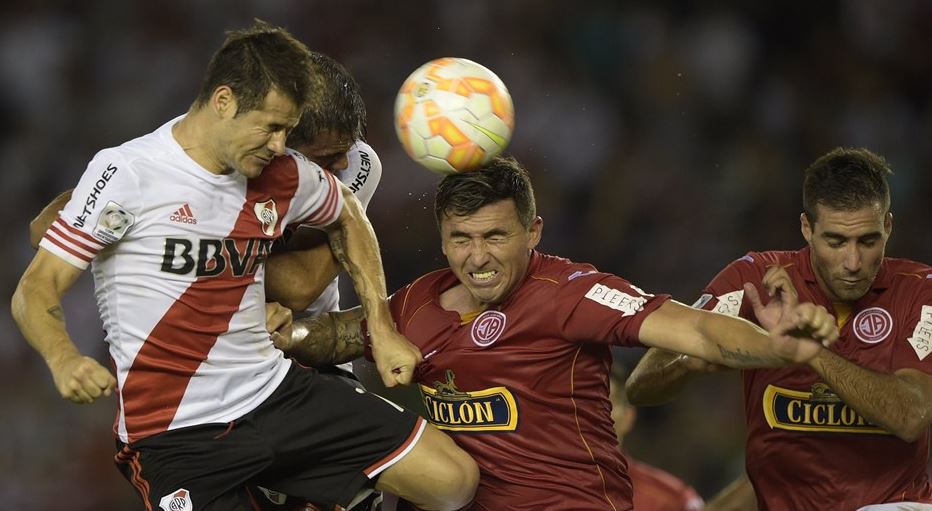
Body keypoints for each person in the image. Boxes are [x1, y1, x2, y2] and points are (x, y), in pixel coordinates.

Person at [12, 21, 477, 511]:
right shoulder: (128, 173)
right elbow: (34, 288)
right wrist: (64, 360)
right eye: (272, 127)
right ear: (224, 101)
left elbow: (347, 214)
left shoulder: (281, 173)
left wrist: (380, 328)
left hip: (275, 391)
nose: (281, 145)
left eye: (287, 130)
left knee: (453, 481)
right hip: (177, 432)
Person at [271, 155, 839, 510]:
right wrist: (288, 333)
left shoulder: (570, 292)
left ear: (533, 231)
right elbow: (346, 335)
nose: (477, 257)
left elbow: (695, 330)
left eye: (495, 236)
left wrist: (774, 346)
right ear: (442, 239)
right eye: (461, 238)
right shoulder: (419, 299)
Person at [625, 147, 932, 510]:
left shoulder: (920, 291)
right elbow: (639, 387)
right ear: (806, 227)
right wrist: (691, 362)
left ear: (888, 227)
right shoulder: (753, 281)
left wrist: (812, 354)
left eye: (868, 241)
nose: (853, 262)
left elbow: (911, 417)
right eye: (835, 241)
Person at [608, 366, 704, 511]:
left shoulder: (673, 500)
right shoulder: (561, 489)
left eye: (606, 403)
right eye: (581, 403)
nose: (590, 414)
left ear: (628, 417)